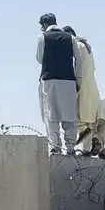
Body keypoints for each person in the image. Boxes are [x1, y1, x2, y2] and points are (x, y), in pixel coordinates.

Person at [37, 13, 77, 154]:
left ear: (44, 25)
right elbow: (77, 58)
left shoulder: (43, 38)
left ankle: (55, 146)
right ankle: (71, 146)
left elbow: (39, 59)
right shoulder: (70, 38)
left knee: (51, 114)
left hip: (50, 80)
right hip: (69, 80)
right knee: (69, 115)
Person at [62, 26, 100, 146]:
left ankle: (82, 144)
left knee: (74, 115)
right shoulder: (86, 46)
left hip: (80, 84)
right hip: (91, 86)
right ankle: (88, 149)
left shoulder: (75, 46)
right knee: (89, 119)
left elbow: (75, 66)